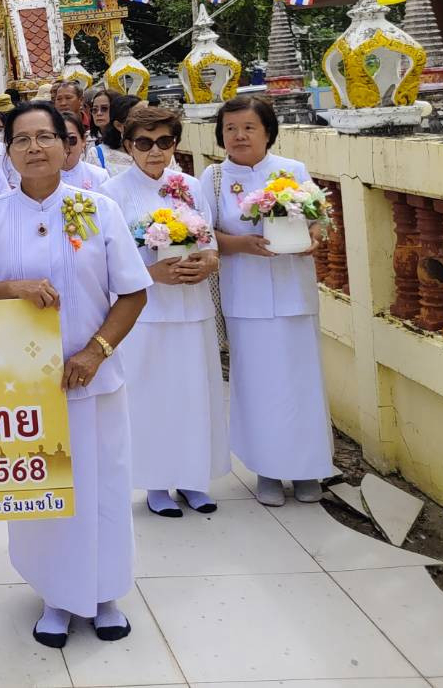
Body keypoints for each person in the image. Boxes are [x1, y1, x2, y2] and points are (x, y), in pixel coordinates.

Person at [0, 101, 151, 647]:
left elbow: (133, 291)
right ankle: (55, 596)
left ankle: (107, 593)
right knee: (46, 492)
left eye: (47, 136)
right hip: (25, 386)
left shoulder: (97, 208)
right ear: (7, 150)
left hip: (95, 378)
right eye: (22, 139)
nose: (35, 147)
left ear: (69, 146)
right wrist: (12, 287)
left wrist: (95, 352)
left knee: (103, 486)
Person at [200, 96, 332, 507]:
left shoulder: (292, 172)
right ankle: (269, 470)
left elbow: (320, 221)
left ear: (268, 131)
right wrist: (239, 243)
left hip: (293, 294)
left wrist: (315, 237)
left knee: (302, 383)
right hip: (247, 298)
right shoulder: (214, 177)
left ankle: (309, 469)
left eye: (248, 128)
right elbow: (202, 234)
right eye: (230, 129)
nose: (239, 136)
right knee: (258, 387)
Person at [104, 104, 227, 517]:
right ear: (128, 145)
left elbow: (210, 246)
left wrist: (206, 263)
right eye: (144, 143)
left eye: (164, 142)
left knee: (195, 393)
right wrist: (151, 273)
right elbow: (106, 261)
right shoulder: (112, 193)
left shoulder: (190, 186)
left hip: (192, 307)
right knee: (151, 397)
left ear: (175, 143)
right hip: (145, 313)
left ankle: (193, 479)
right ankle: (156, 483)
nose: (155, 151)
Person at [61, 112, 110, 192]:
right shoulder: (39, 178)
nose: (65, 146)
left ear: (83, 140)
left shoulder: (100, 176)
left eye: (71, 139)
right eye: (59, 140)